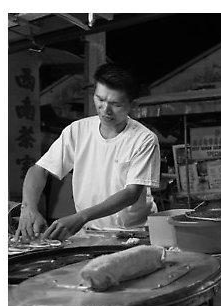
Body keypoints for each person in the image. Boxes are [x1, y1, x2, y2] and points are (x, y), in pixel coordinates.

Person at [15, 63, 161, 241]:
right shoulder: (77, 130)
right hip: (90, 232)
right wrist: (28, 208)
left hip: (133, 233)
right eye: (100, 99)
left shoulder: (144, 139)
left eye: (115, 104)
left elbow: (131, 193)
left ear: (133, 105)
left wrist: (81, 216)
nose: (105, 110)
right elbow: (40, 170)